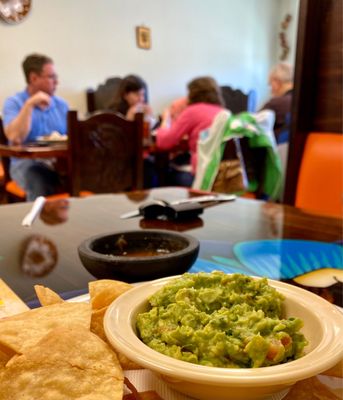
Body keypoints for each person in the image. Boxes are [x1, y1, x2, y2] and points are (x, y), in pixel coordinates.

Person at [2, 53, 68, 201]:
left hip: (59, 164)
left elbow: (73, 139)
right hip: (26, 164)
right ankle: (36, 223)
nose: (56, 82)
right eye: (51, 77)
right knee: (40, 181)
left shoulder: (61, 105)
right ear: (33, 78)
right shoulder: (14, 103)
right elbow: (15, 137)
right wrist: (30, 104)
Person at [155, 76, 225, 187]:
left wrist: (165, 120)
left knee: (161, 174)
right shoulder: (223, 112)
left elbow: (164, 142)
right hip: (220, 175)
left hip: (200, 175)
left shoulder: (192, 111)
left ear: (193, 93)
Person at [260, 62, 293, 143]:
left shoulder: (276, 103)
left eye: (270, 84)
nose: (271, 90)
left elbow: (253, 125)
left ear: (276, 82)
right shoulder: (301, 100)